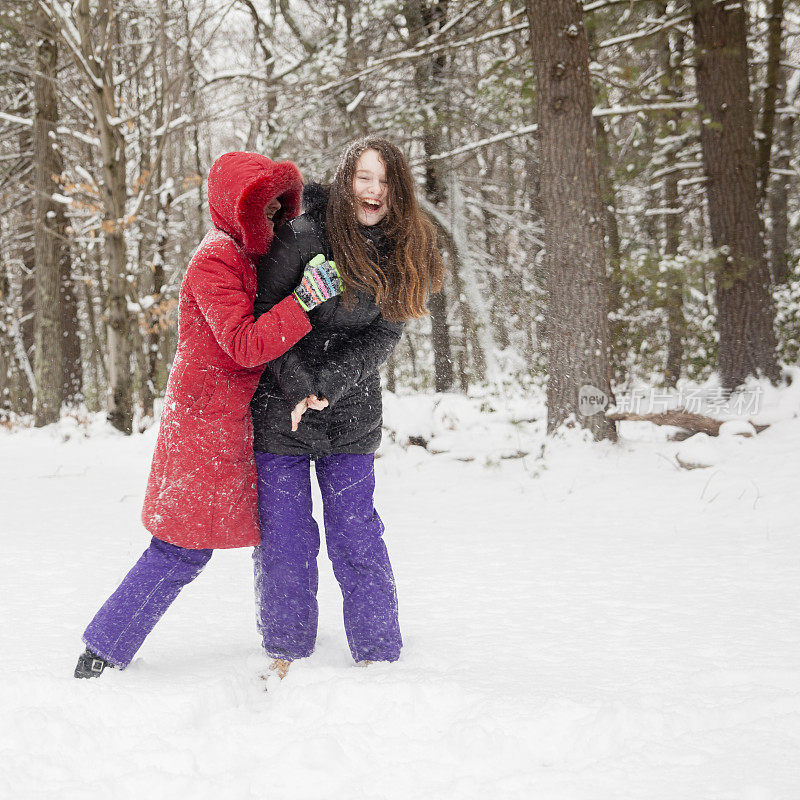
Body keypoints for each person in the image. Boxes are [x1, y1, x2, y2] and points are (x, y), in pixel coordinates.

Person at [74, 152, 342, 678]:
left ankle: (282, 644)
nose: (270, 222)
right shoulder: (216, 260)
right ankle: (102, 651)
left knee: (269, 535)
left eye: (275, 211)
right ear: (234, 210)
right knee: (181, 547)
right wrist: (304, 301)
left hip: (232, 420)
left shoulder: (244, 253)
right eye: (259, 211)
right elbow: (244, 344)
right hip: (204, 422)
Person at [250, 136, 445, 677]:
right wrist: (297, 387)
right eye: (363, 177)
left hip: (350, 415)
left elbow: (385, 333)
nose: (373, 190)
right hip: (279, 413)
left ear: (397, 191)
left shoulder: (403, 248)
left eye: (384, 181)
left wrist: (328, 385)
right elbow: (262, 314)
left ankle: (379, 655)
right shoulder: (303, 235)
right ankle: (284, 649)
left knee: (356, 532)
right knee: (287, 540)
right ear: (345, 181)